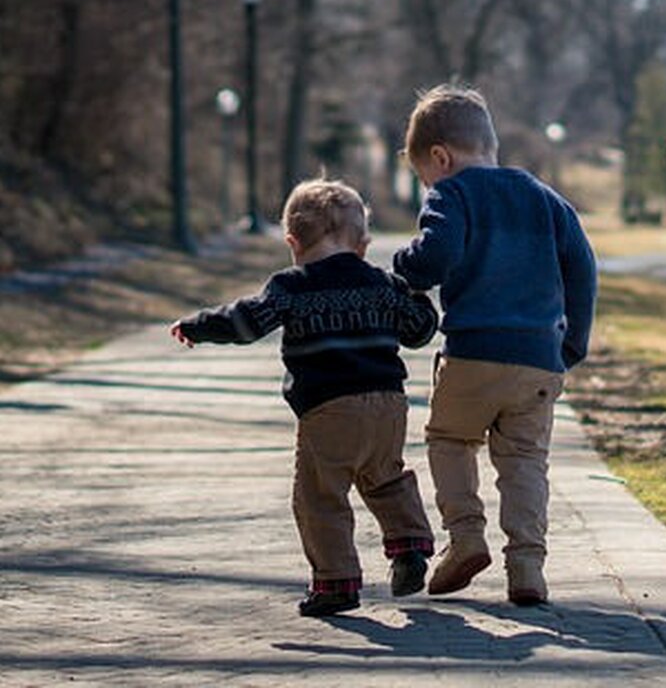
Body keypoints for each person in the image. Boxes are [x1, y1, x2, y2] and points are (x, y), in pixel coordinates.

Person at [170, 179, 439, 617]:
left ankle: (336, 582)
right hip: (388, 405)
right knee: (386, 477)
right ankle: (409, 548)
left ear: (292, 242)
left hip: (329, 409)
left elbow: (246, 323)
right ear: (363, 244)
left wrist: (200, 326)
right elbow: (419, 331)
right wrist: (419, 297)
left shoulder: (291, 287)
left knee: (320, 496)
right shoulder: (383, 283)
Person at [393, 84, 596, 606]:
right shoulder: (547, 199)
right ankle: (527, 566)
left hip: (473, 352)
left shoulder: (452, 194)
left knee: (450, 439)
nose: (428, 186)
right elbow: (583, 269)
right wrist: (571, 343)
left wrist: (404, 266)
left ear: (441, 157)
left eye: (424, 177)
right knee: (526, 459)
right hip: (538, 359)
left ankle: (464, 539)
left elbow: (434, 258)